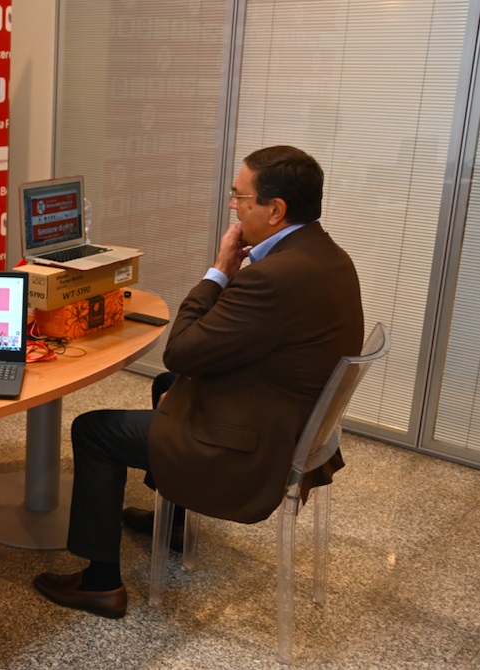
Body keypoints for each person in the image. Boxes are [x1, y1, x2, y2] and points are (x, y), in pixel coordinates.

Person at [33, 146, 364, 619]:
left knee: (94, 430)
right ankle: (173, 521)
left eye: (240, 196)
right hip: (292, 420)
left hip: (253, 444)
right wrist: (185, 388)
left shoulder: (271, 279)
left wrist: (220, 271)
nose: (233, 205)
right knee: (169, 383)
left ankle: (100, 583)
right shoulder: (329, 256)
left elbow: (183, 347)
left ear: (275, 210)